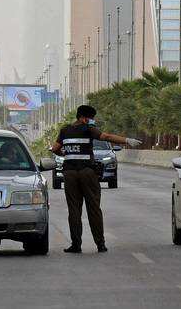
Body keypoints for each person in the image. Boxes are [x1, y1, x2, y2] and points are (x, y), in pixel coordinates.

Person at [51, 105, 141, 253]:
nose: (91, 121)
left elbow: (55, 149)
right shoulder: (88, 129)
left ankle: (76, 245)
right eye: (90, 118)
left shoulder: (64, 131)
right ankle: (100, 244)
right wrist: (126, 140)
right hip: (87, 172)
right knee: (93, 208)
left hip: (70, 174)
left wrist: (66, 154)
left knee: (74, 210)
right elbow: (106, 137)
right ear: (84, 118)